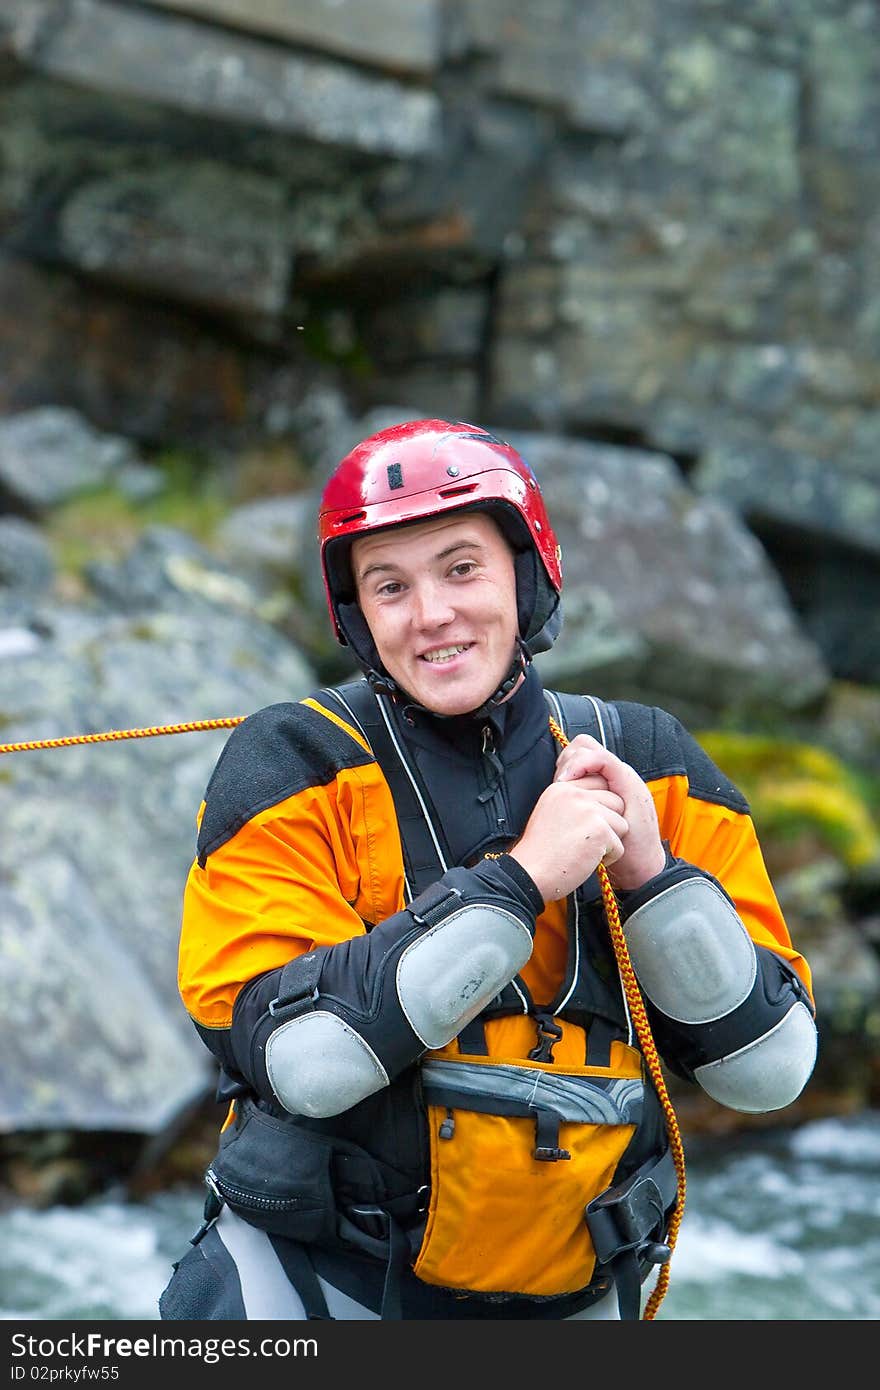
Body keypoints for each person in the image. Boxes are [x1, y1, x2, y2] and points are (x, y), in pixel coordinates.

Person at [159, 418, 817, 1322]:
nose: (431, 614)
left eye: (461, 568)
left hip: (577, 1294)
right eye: (389, 586)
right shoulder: (292, 760)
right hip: (316, 1285)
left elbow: (771, 1069)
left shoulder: (653, 761)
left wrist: (653, 879)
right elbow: (306, 1061)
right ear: (356, 615)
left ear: (525, 570)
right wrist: (523, 881)